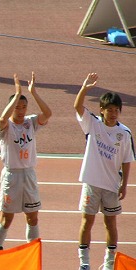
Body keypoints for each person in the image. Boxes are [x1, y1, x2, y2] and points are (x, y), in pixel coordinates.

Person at [74, 73, 134, 270]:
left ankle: (109, 263)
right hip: (92, 183)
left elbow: (126, 160)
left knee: (111, 224)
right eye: (109, 110)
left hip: (111, 185)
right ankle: (84, 263)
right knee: (87, 222)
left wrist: (124, 185)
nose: (113, 113)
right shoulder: (93, 124)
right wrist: (84, 88)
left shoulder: (124, 133)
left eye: (116, 110)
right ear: (102, 110)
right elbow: (77, 107)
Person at [0, 72, 52, 246]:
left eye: (23, 107)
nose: (20, 111)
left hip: (29, 174)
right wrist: (17, 94)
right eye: (17, 107)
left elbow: (47, 113)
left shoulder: (30, 122)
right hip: (12, 176)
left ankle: (31, 252)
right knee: (6, 219)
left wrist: (33, 92)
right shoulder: (4, 126)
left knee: (33, 217)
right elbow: (3, 118)